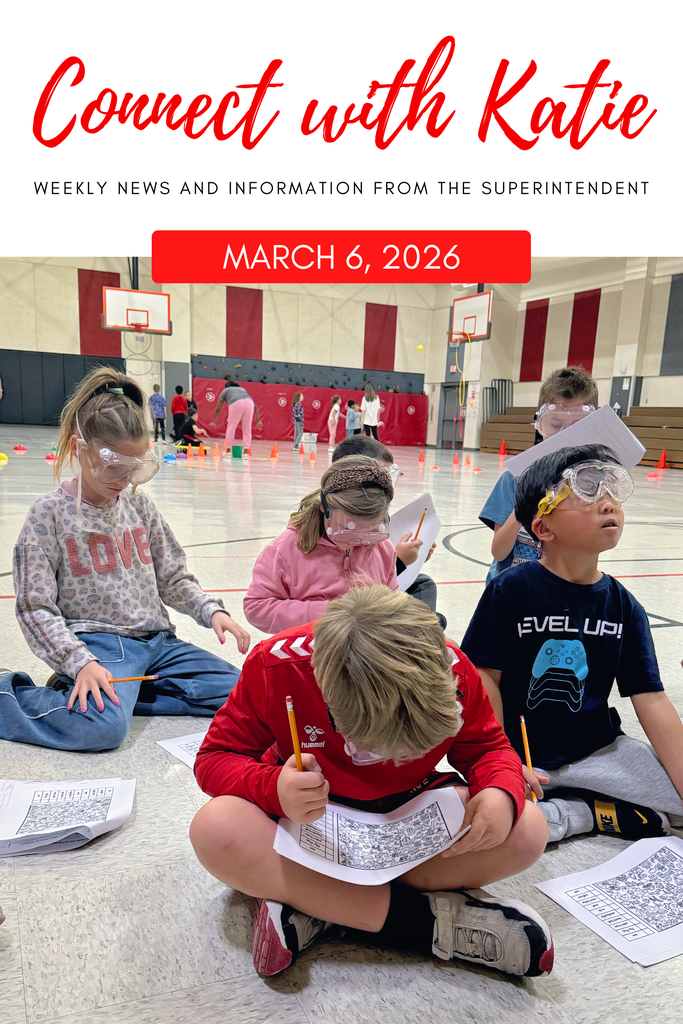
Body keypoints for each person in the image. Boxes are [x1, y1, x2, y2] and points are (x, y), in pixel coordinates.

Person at [190, 586, 552, 979]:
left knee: (528, 828)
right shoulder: (275, 665)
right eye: (370, 748)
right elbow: (213, 759)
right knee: (216, 828)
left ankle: (321, 904)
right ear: (327, 696)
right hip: (306, 819)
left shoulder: (452, 668)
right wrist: (273, 786)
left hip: (404, 813)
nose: (388, 761)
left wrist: (501, 790)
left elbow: (487, 748)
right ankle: (424, 924)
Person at [1, 367, 249, 752]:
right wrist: (77, 660)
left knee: (242, 694)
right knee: (101, 730)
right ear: (77, 447)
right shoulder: (48, 515)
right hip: (99, 644)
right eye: (113, 469)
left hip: (159, 645)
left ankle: (115, 694)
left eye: (134, 469)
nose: (124, 481)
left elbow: (173, 576)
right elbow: (35, 608)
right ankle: (14, 692)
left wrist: (211, 611)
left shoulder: (140, 506)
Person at [461, 443, 683, 844]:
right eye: (586, 491)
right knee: (491, 818)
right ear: (543, 527)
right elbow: (483, 678)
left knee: (678, 805)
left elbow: (651, 699)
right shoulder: (512, 589)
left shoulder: (624, 605)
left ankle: (572, 813)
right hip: (520, 751)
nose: (608, 503)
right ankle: (570, 811)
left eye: (612, 492)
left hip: (597, 752)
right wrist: (502, 757)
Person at [243, 455, 397, 634]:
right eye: (348, 528)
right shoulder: (286, 549)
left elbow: (391, 598)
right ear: (323, 506)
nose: (358, 540)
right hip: (307, 651)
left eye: (371, 530)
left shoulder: (382, 549)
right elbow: (256, 607)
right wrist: (328, 613)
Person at [479, 366, 598, 584]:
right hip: (511, 592)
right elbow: (499, 552)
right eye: (555, 424)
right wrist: (524, 506)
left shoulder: (592, 485)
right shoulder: (514, 479)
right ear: (540, 424)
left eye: (577, 427)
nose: (565, 436)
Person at [332, 435, 444, 626]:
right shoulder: (342, 525)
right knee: (432, 619)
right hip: (355, 610)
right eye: (382, 478)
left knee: (423, 584)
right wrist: (399, 561)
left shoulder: (371, 516)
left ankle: (422, 629)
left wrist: (413, 557)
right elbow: (359, 585)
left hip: (376, 593)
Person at [212, 381, 262, 457]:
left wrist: (214, 420)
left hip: (236, 403)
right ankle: (246, 452)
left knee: (231, 427)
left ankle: (228, 451)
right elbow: (255, 407)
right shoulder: (242, 390)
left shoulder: (225, 391)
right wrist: (258, 420)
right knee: (247, 428)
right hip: (249, 403)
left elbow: (218, 408)